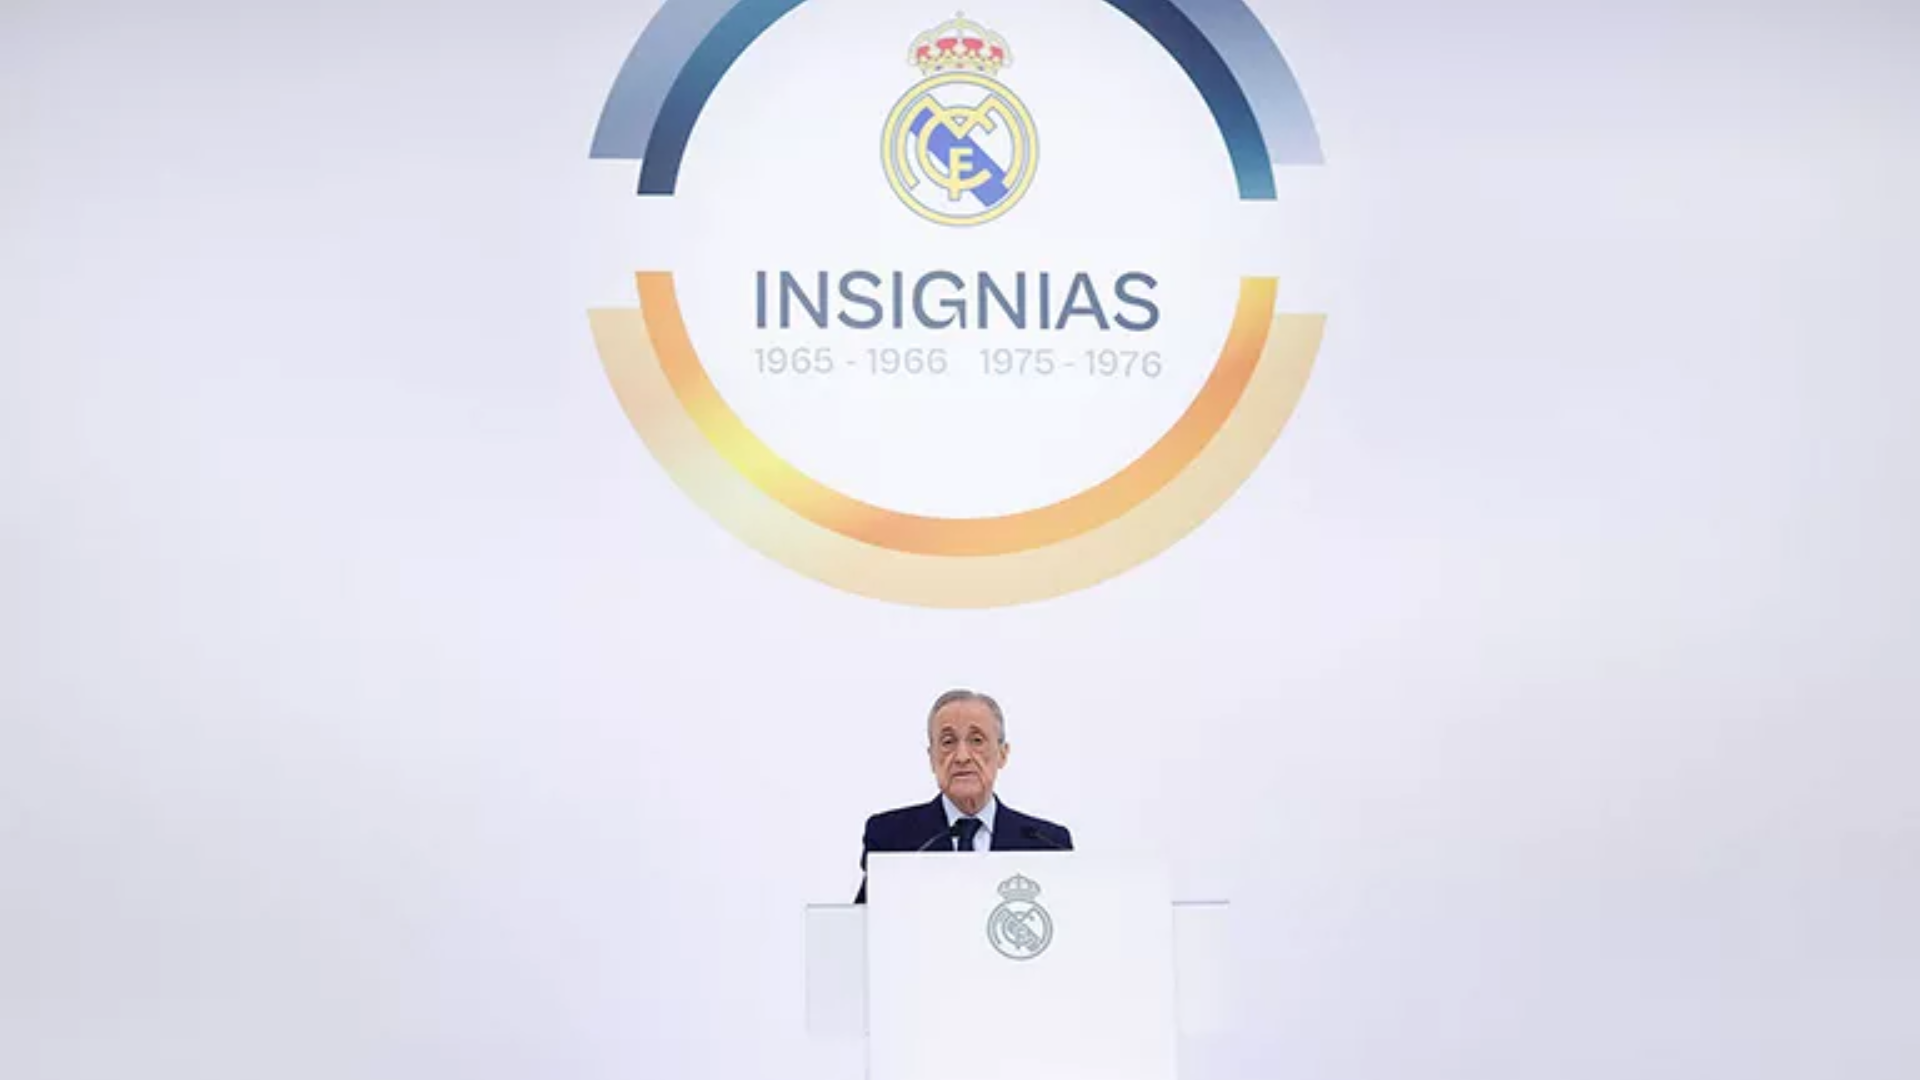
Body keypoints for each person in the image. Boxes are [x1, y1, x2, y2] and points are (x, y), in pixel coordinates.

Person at [854, 689, 1073, 903]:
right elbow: (861, 922)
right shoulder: (890, 837)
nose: (961, 757)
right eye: (948, 742)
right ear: (932, 758)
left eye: (976, 740)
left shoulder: (1048, 843)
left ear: (1003, 754)